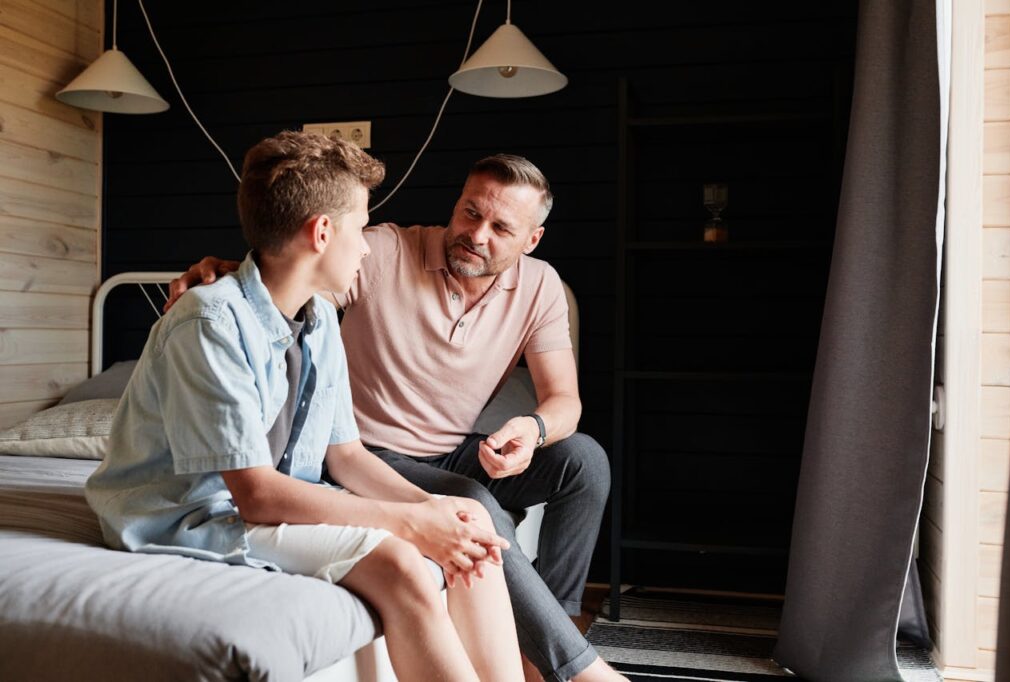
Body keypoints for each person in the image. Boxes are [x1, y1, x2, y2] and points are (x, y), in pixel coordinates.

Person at [87, 131, 524, 682]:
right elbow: (258, 495)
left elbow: (345, 455)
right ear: (321, 232)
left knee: (470, 517)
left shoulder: (318, 319)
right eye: (361, 229)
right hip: (191, 516)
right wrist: (410, 525)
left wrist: (434, 512)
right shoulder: (208, 322)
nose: (366, 247)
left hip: (274, 503)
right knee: (401, 563)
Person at [168, 155, 624, 682]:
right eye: (469, 213)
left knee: (585, 461)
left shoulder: (540, 286)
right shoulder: (381, 251)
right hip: (371, 452)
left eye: (500, 228)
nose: (476, 234)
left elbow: (564, 399)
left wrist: (533, 429)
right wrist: (234, 271)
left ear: (531, 241)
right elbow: (293, 281)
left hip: (452, 450)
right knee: (471, 504)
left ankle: (553, 636)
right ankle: (573, 667)